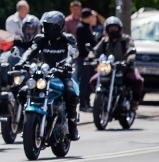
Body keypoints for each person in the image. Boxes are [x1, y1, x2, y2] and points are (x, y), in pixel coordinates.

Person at [18, 11, 81, 141]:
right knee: (23, 92)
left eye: (51, 26)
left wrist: (68, 63)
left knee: (71, 95)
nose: (48, 29)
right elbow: (31, 51)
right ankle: (25, 123)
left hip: (62, 74)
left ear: (59, 27)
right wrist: (22, 62)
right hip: (43, 74)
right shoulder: (41, 39)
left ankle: (72, 124)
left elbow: (72, 52)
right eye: (46, 26)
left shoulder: (67, 39)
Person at [89, 16, 144, 110]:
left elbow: (131, 50)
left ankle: (135, 101)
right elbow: (95, 51)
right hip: (108, 67)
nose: (113, 30)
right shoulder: (104, 41)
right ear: (106, 29)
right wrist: (91, 58)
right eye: (110, 28)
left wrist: (129, 61)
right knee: (93, 81)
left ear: (119, 28)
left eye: (115, 28)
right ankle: (103, 98)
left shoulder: (125, 39)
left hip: (124, 67)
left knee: (138, 80)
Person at [75, 8, 98, 112]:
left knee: (89, 82)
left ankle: (87, 102)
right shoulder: (81, 28)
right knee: (84, 82)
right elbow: (89, 43)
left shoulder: (88, 27)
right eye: (92, 16)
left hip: (90, 58)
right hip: (83, 58)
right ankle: (83, 103)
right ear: (88, 17)